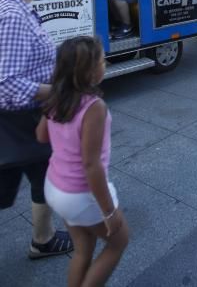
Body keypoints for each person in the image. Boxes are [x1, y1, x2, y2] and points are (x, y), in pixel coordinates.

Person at [37, 36, 128, 286]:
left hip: (55, 188)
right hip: (79, 194)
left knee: (83, 250)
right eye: (101, 60)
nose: (105, 63)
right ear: (89, 71)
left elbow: (41, 135)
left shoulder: (57, 97)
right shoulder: (93, 107)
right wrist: (108, 211)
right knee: (119, 242)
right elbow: (91, 165)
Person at [0, 0, 73, 259]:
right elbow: (7, 83)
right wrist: (56, 91)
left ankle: (42, 239)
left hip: (26, 116)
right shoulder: (14, 16)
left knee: (44, 170)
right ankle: (42, 239)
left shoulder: (19, 8)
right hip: (17, 118)